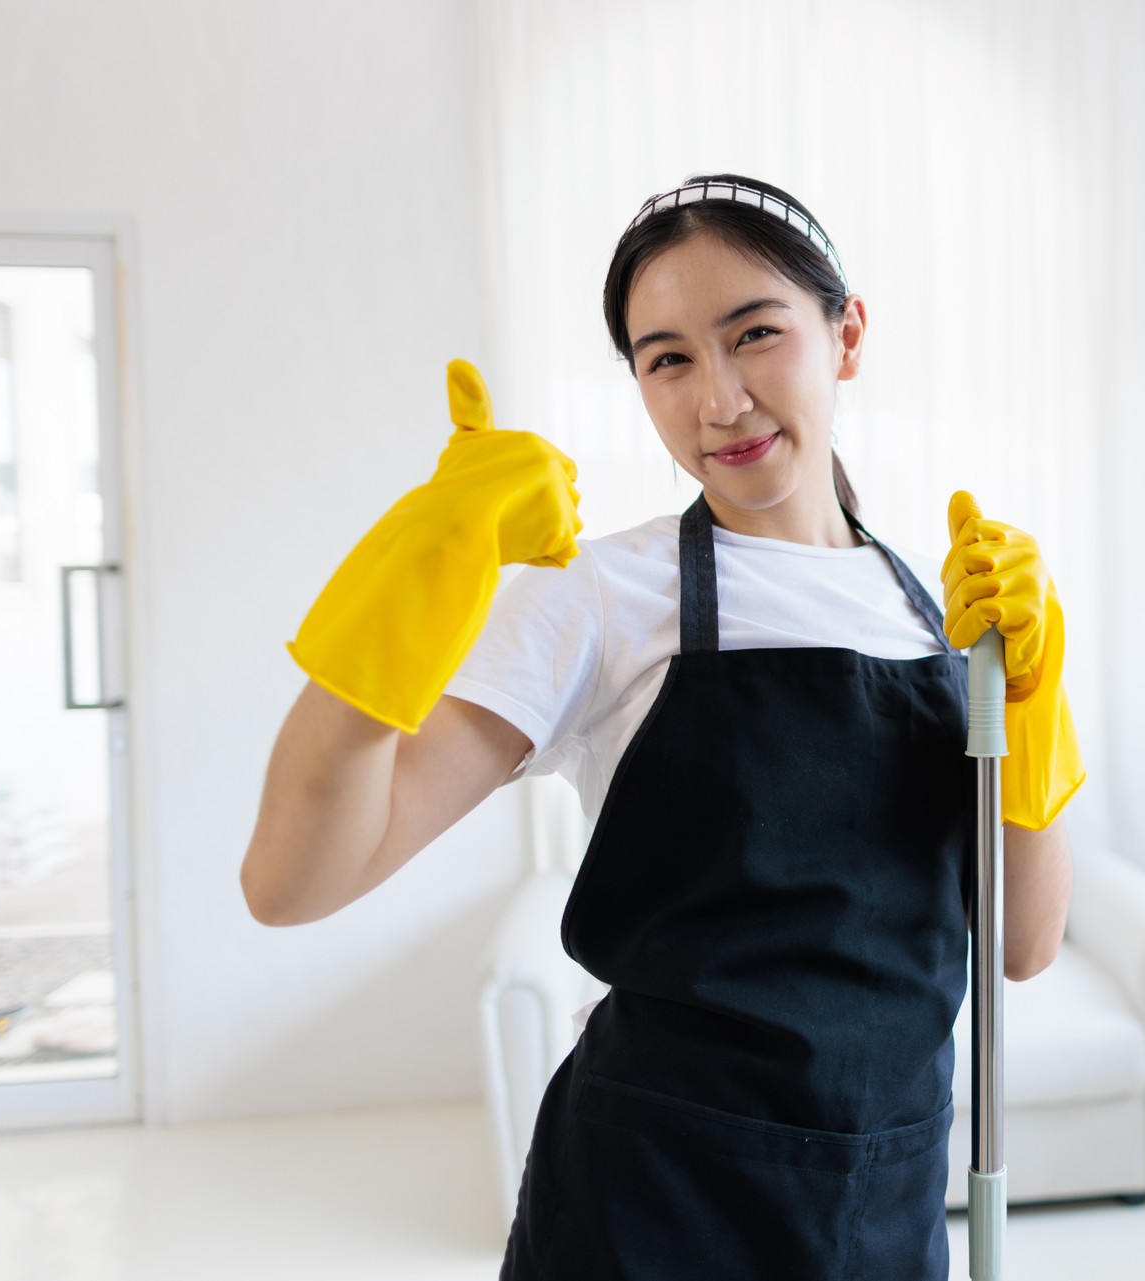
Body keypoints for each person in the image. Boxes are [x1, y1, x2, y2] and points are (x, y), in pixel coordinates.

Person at [241, 173, 1085, 1279]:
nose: (719, 400)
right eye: (668, 358)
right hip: (650, 1205)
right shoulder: (603, 597)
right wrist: (406, 582)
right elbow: (296, 880)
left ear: (847, 335)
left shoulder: (952, 612)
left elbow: (1020, 945)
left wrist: (1031, 695)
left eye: (756, 334)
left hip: (883, 1205)